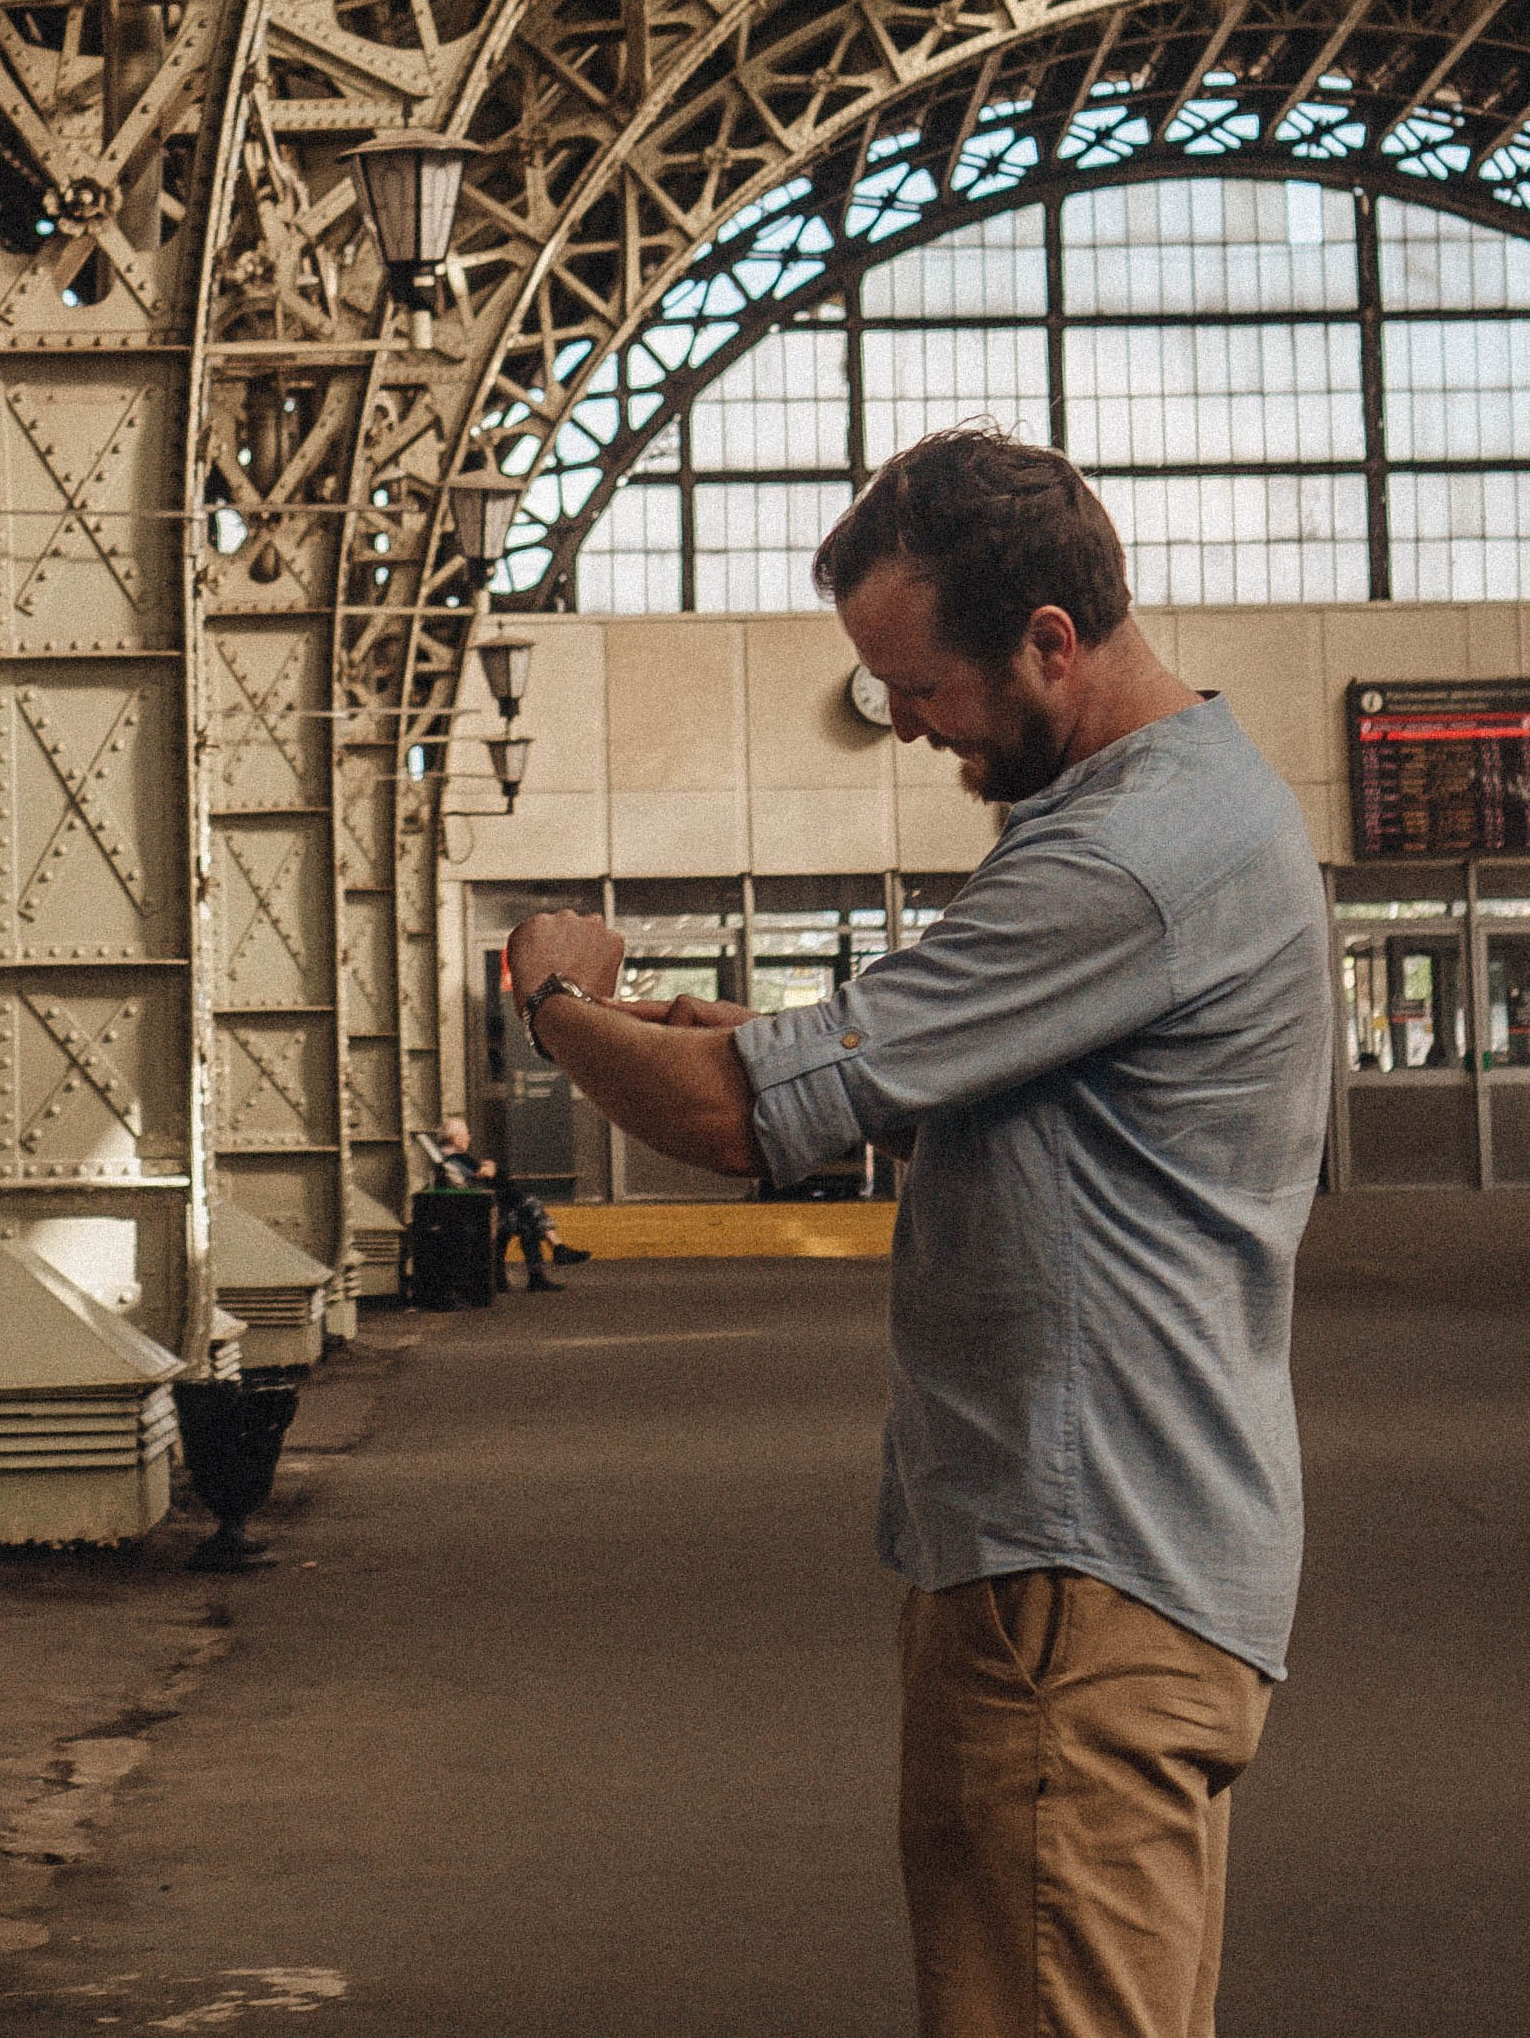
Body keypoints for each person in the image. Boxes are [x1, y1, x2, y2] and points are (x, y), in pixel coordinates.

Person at [503, 427, 1330, 2038]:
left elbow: (742, 1118)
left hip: (1073, 1584)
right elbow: (947, 1071)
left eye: (918, 685)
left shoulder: (1121, 856)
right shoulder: (1184, 811)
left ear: (1048, 640)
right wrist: (710, 1024)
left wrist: (550, 997)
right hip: (1123, 1558)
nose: (900, 724)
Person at [430, 1112, 589, 1292]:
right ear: (456, 1139)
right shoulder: (457, 1158)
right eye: (466, 1133)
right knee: (529, 1211)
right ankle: (552, 1254)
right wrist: (492, 1168)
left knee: (526, 1212)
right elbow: (487, 1175)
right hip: (479, 1216)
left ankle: (554, 1252)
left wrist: (493, 1171)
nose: (469, 1137)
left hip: (475, 1212)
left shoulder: (447, 1159)